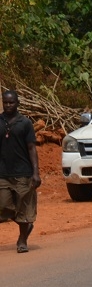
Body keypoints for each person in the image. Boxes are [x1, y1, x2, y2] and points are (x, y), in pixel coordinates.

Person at [0, 90, 41, 253]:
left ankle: (22, 241)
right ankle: (26, 224)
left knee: (24, 208)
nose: (8, 105)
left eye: (11, 102)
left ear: (18, 103)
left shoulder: (25, 123)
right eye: (5, 102)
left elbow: (32, 148)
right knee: (3, 206)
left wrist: (36, 173)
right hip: (3, 173)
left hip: (23, 172)